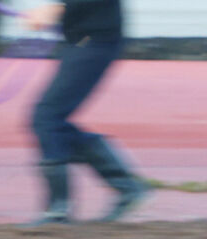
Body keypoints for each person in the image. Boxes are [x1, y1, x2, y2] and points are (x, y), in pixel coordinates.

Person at [23, 0, 149, 224]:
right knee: (49, 121)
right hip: (84, 40)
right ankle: (126, 186)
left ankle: (59, 210)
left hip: (94, 41)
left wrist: (56, 10)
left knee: (46, 118)